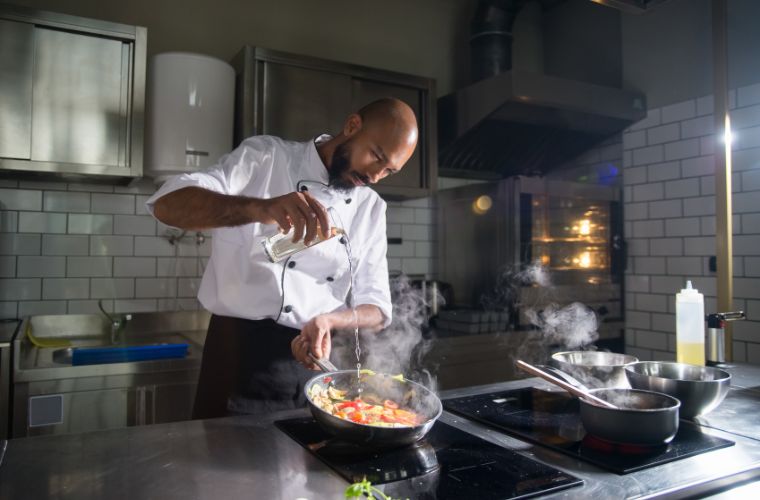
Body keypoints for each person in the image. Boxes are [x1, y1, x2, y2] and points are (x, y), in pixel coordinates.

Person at [146, 97, 419, 418]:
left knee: (303, 466)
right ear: (352, 126)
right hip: (236, 357)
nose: (375, 175)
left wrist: (330, 320)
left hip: (311, 364)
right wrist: (260, 208)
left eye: (389, 170)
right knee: (219, 464)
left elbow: (377, 308)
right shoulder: (266, 158)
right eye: (376, 156)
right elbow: (167, 205)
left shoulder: (370, 208)